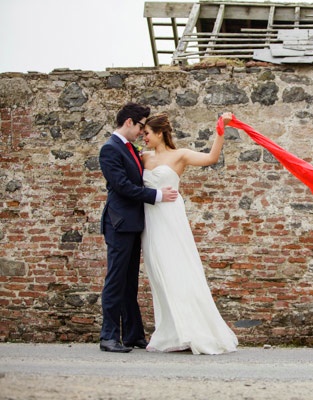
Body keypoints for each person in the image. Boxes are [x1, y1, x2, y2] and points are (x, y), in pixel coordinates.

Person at [140, 112, 238, 354]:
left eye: (147, 134)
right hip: (151, 221)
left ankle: (192, 331)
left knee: (178, 271)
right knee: (158, 274)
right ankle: (170, 332)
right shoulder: (143, 157)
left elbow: (211, 158)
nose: (144, 138)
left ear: (159, 133)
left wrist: (220, 130)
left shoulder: (180, 155)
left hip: (171, 218)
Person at [98, 103, 179, 353]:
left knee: (129, 282)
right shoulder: (110, 149)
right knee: (116, 280)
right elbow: (122, 186)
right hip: (119, 224)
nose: (143, 132)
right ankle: (109, 336)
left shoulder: (131, 149)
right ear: (129, 122)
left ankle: (133, 335)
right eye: (141, 126)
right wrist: (157, 195)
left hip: (134, 224)